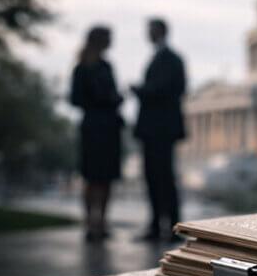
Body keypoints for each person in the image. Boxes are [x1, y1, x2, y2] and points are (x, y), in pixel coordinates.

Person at [132, 18, 187, 241]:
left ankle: (172, 226)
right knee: (152, 177)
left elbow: (170, 89)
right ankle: (156, 224)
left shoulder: (171, 59)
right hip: (153, 129)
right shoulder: (160, 57)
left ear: (161, 31)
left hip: (161, 129)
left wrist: (142, 90)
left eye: (151, 30)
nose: (148, 34)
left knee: (164, 177)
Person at [69, 25, 124, 242]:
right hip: (93, 127)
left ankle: (101, 221)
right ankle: (90, 223)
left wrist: (114, 98)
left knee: (106, 177)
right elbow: (75, 98)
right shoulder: (82, 67)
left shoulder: (106, 66)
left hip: (108, 127)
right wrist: (101, 98)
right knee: (92, 177)